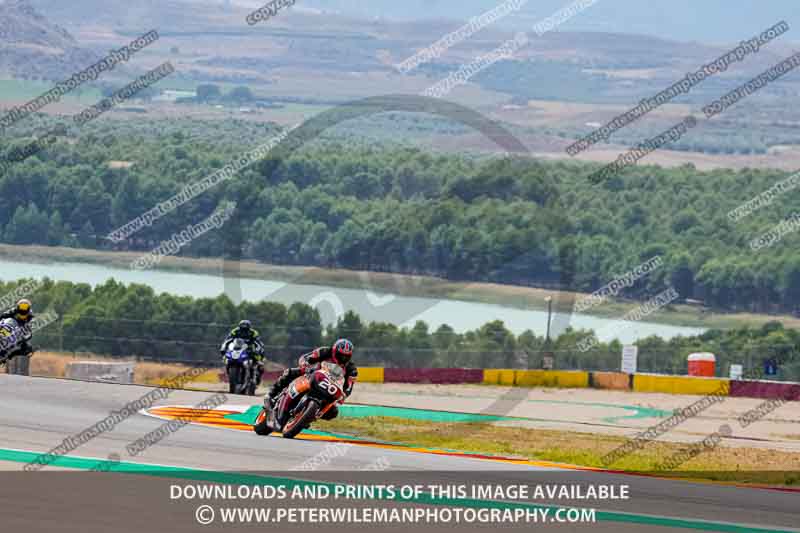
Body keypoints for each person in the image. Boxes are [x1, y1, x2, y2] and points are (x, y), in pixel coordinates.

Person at [267, 338, 358, 420]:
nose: (343, 358)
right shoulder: (325, 351)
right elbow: (306, 357)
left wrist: (343, 396)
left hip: (329, 388)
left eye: (346, 356)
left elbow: (349, 387)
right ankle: (272, 394)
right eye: (341, 355)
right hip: (313, 375)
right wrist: (305, 364)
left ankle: (307, 418)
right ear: (334, 351)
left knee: (333, 412)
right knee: (290, 372)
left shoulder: (351, 369)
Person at [220, 320, 265, 385]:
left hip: (250, 350)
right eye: (242, 328)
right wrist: (223, 348)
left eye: (245, 329)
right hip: (238, 349)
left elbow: (259, 343)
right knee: (226, 357)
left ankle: (257, 376)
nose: (244, 330)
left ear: (249, 327)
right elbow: (227, 340)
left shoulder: (253, 333)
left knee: (259, 362)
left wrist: (258, 350)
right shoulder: (235, 331)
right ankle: (229, 372)